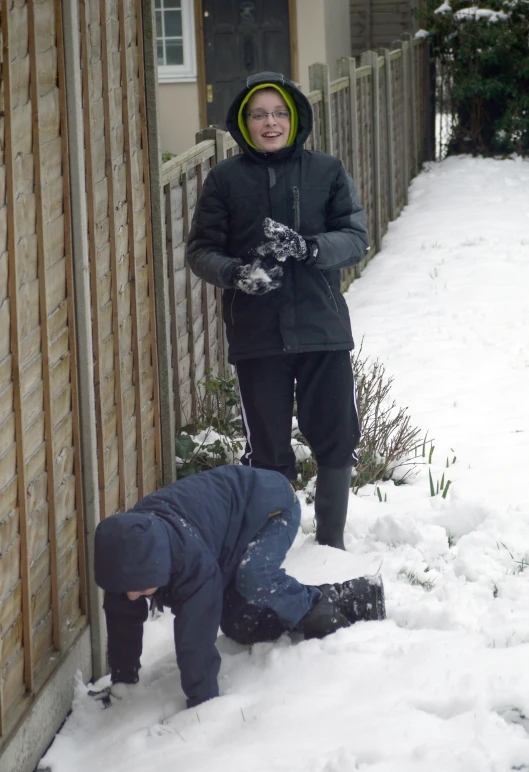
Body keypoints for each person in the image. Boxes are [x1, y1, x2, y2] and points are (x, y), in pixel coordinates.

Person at [186, 72, 370, 551]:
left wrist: (310, 247)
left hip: (321, 328)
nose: (271, 122)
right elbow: (201, 249)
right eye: (260, 114)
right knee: (267, 446)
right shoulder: (224, 180)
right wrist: (236, 273)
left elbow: (355, 238)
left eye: (280, 113)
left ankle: (331, 544)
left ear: (296, 118)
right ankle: (274, 544)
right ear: (243, 124)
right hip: (257, 333)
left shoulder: (327, 171)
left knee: (334, 434)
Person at [91, 465, 385, 709]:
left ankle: (333, 609)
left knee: (255, 578)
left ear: (159, 565)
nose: (132, 595)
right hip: (226, 535)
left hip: (272, 508)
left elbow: (195, 636)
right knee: (239, 624)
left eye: (140, 588)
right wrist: (123, 678)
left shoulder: (188, 563)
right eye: (128, 589)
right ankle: (337, 599)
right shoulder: (130, 553)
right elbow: (122, 620)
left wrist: (202, 704)